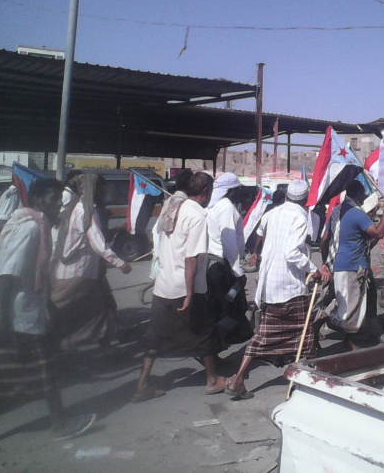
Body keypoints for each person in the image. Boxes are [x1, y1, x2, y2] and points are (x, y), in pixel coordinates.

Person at [0, 178, 96, 440]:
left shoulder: (36, 225)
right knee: (45, 376)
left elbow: (30, 275)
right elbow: (6, 277)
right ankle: (60, 425)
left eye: (60, 199)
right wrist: (3, 321)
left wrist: (48, 306)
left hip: (22, 316)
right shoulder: (31, 230)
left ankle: (59, 423)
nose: (59, 204)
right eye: (53, 199)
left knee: (1, 380)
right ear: (37, 201)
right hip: (15, 318)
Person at [133, 172, 225, 402]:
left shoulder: (172, 206)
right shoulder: (196, 215)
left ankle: (142, 383)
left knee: (154, 337)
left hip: (164, 285)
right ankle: (212, 380)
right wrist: (190, 293)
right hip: (185, 286)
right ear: (205, 192)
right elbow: (191, 258)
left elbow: (164, 245)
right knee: (204, 334)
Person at [225, 180, 322, 399]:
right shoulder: (300, 217)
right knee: (303, 333)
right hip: (289, 286)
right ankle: (302, 381)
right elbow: (292, 253)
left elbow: (259, 232)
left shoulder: (272, 213)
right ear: (305, 198)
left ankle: (241, 377)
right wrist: (313, 269)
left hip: (269, 284)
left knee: (267, 334)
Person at [50, 174, 131, 356]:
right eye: (101, 189)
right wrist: (120, 264)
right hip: (75, 273)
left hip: (78, 272)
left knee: (98, 310)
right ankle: (50, 347)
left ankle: (106, 347)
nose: (103, 193)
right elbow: (98, 243)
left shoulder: (73, 208)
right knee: (60, 312)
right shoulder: (85, 212)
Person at [329, 181, 384, 350]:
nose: (364, 198)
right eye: (363, 194)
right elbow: (378, 233)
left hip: (339, 262)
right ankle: (349, 340)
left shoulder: (338, 211)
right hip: (352, 265)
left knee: (345, 303)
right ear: (358, 194)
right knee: (351, 305)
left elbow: (325, 240)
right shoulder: (357, 214)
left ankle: (353, 337)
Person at [205, 173, 252, 345]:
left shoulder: (214, 206)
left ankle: (219, 341)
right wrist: (238, 272)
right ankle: (215, 342)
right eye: (237, 189)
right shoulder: (225, 207)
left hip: (214, 264)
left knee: (221, 307)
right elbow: (229, 242)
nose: (239, 192)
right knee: (233, 306)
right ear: (230, 191)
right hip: (222, 266)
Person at [141, 168, 194, 303]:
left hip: (165, 255)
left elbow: (159, 230)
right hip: (177, 262)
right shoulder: (185, 205)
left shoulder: (169, 202)